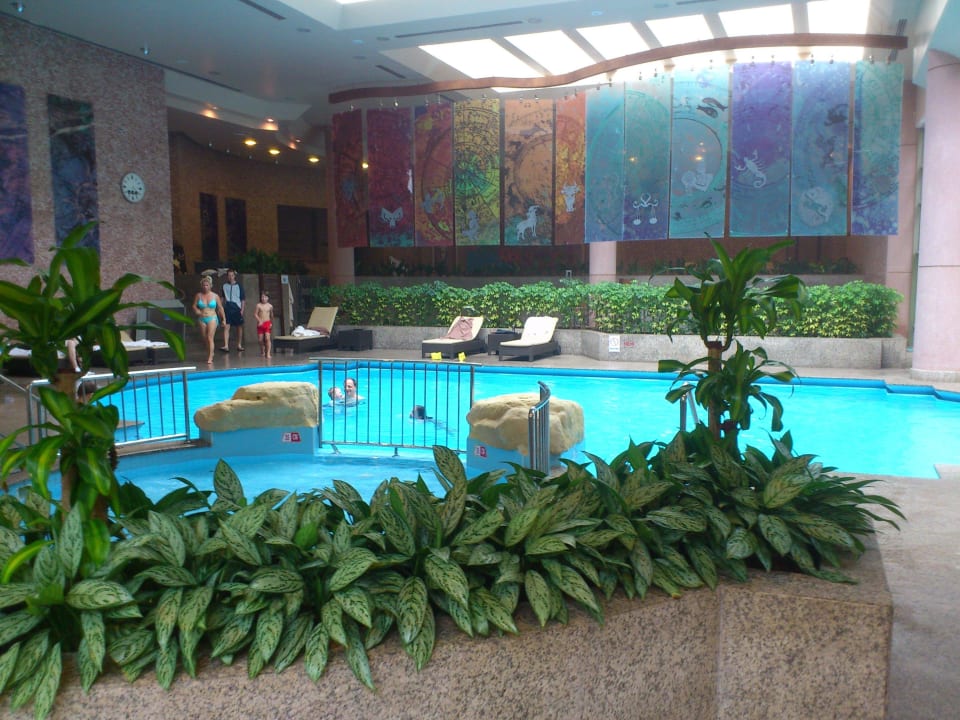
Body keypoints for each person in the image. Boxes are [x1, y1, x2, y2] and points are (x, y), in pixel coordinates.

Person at [193, 276, 225, 364]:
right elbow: (194, 305)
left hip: (212, 317)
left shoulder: (215, 296)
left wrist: (224, 319)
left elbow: (220, 308)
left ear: (210, 286)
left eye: (207, 285)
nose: (205, 287)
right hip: (202, 318)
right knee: (205, 338)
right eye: (204, 285)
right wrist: (196, 310)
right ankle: (210, 352)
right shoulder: (198, 295)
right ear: (201, 286)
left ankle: (210, 357)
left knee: (210, 337)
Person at [220, 269, 245, 352]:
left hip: (237, 307)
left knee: (239, 326)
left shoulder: (239, 286)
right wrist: (220, 307)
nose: (230, 277)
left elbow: (243, 299)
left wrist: (242, 310)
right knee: (226, 326)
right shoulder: (224, 286)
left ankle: (239, 344)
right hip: (228, 307)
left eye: (232, 275)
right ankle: (226, 345)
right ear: (227, 276)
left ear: (234, 276)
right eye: (229, 275)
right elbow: (222, 297)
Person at [254, 290, 274, 358]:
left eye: (265, 297)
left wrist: (271, 323)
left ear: (268, 298)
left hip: (267, 323)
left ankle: (268, 353)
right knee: (260, 340)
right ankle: (262, 350)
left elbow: (271, 315)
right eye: (262, 297)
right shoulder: (258, 305)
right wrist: (259, 320)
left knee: (267, 338)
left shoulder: (270, 306)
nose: (263, 298)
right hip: (260, 324)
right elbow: (255, 314)